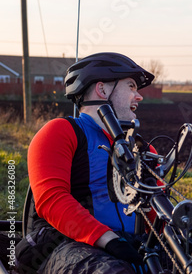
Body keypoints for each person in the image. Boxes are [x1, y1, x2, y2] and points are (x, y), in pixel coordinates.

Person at [15, 52, 154, 274]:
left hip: (136, 245)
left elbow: (157, 214)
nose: (139, 97)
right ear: (102, 89)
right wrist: (110, 240)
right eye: (131, 86)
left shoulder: (144, 149)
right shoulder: (61, 132)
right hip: (67, 246)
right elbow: (52, 199)